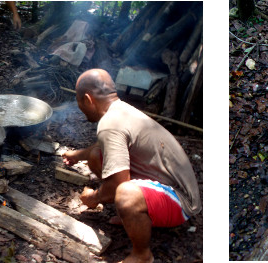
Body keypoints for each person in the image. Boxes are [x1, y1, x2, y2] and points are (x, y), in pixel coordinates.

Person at [61, 69, 202, 263]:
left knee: (125, 193)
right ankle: (135, 218)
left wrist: (93, 198)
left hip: (181, 202)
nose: (80, 107)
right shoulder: (120, 110)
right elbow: (102, 147)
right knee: (96, 156)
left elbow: (115, 188)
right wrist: (78, 155)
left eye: (79, 102)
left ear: (87, 99)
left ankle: (142, 255)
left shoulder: (109, 124)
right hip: (167, 187)